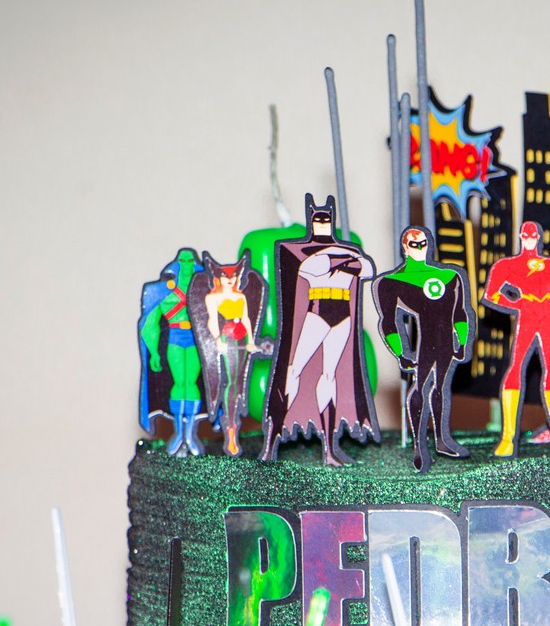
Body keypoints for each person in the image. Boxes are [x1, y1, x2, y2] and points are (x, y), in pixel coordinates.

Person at [260, 195, 380, 466]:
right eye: (318, 219)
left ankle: (329, 448)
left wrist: (337, 260)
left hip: (342, 316)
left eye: (326, 219)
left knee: (329, 376)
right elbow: (313, 268)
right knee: (294, 370)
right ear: (312, 220)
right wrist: (344, 261)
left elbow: (368, 269)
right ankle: (272, 440)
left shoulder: (347, 249)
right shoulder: (302, 250)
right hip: (317, 314)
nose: (323, 223)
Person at [373, 226, 472, 472]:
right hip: (423, 345)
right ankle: (419, 445)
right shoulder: (392, 282)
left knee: (440, 388)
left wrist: (461, 341)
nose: (419, 248)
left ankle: (441, 440)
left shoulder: (450, 276)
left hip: (446, 344)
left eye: (423, 243)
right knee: (420, 387)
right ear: (405, 248)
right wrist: (401, 353)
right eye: (414, 244)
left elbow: (460, 313)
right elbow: (388, 322)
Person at [481, 221, 550, 457]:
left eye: (532, 236)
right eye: (526, 236)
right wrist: (517, 303)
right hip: (526, 316)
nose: (529, 239)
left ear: (538, 237)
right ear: (521, 237)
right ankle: (507, 439)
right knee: (516, 366)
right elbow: (491, 294)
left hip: (548, 317)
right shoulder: (507, 265)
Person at [191, 252, 271, 457]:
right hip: (227, 339)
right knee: (231, 383)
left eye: (234, 276)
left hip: (241, 338)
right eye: (226, 277)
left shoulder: (240, 297)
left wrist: (251, 342)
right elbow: (211, 320)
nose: (230, 280)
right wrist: (217, 340)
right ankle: (231, 427)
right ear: (218, 278)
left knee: (237, 381)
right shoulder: (212, 297)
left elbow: (246, 319)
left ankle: (233, 423)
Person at [138, 248, 206, 457]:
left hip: (194, 340)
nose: (186, 265)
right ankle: (179, 432)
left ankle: (189, 433)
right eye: (183, 261)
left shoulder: (201, 295)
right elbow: (149, 326)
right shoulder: (167, 296)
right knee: (179, 383)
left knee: (190, 383)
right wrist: (154, 352)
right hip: (175, 339)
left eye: (189, 261)